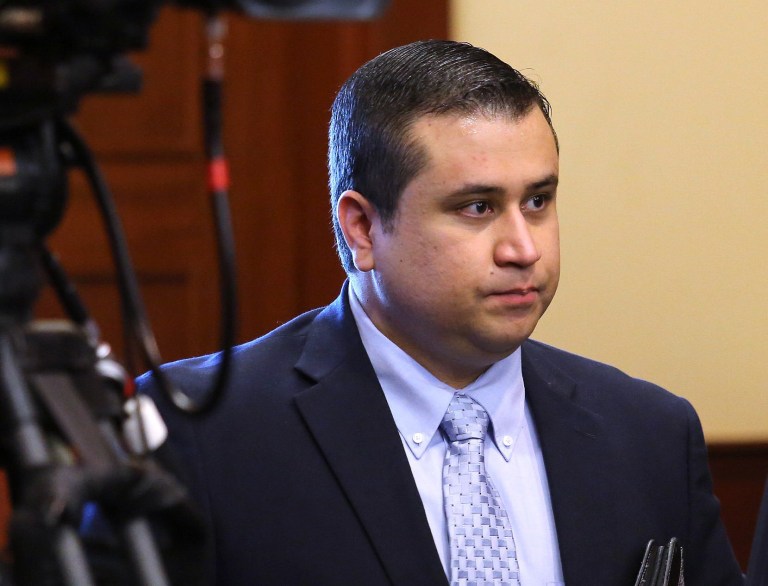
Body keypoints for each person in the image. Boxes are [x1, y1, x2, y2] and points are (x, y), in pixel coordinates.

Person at [139, 40, 744, 585]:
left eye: (538, 200)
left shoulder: (650, 434)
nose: (523, 248)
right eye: (477, 207)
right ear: (363, 228)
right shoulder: (200, 433)